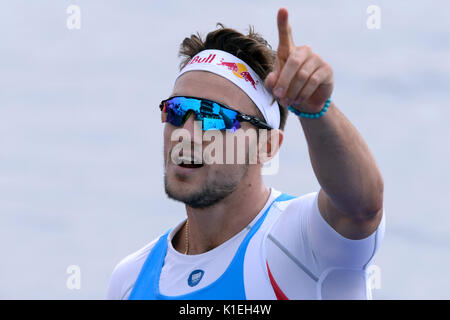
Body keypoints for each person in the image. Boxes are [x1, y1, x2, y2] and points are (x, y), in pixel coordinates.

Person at [106, 8, 385, 300]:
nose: (184, 134)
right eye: (175, 111)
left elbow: (362, 207)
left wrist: (316, 109)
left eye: (212, 116)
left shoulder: (300, 243)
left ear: (267, 147)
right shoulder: (130, 278)